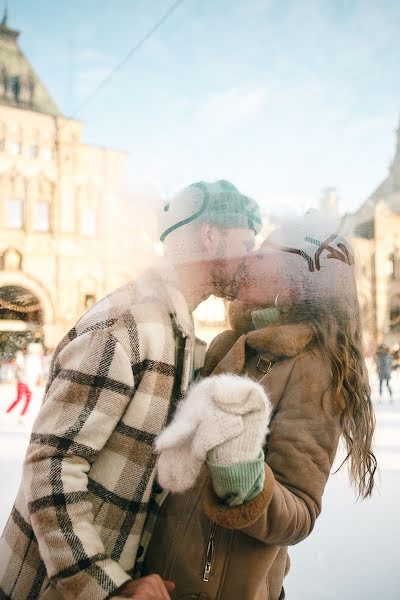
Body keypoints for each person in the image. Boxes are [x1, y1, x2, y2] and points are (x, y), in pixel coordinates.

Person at [0, 180, 265, 600]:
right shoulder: (127, 325)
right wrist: (104, 586)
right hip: (45, 587)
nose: (252, 258)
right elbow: (51, 464)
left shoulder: (177, 329)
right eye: (246, 242)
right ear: (209, 234)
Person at [144, 215, 377, 600]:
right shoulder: (230, 345)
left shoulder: (311, 367)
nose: (246, 260)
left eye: (261, 254)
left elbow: (300, 513)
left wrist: (244, 477)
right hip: (162, 578)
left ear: (292, 278)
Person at [5, 349, 32, 418]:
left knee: (28, 396)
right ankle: (8, 412)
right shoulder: (18, 364)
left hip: (24, 382)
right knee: (19, 398)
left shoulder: (21, 363)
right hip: (21, 382)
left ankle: (22, 414)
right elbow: (18, 372)